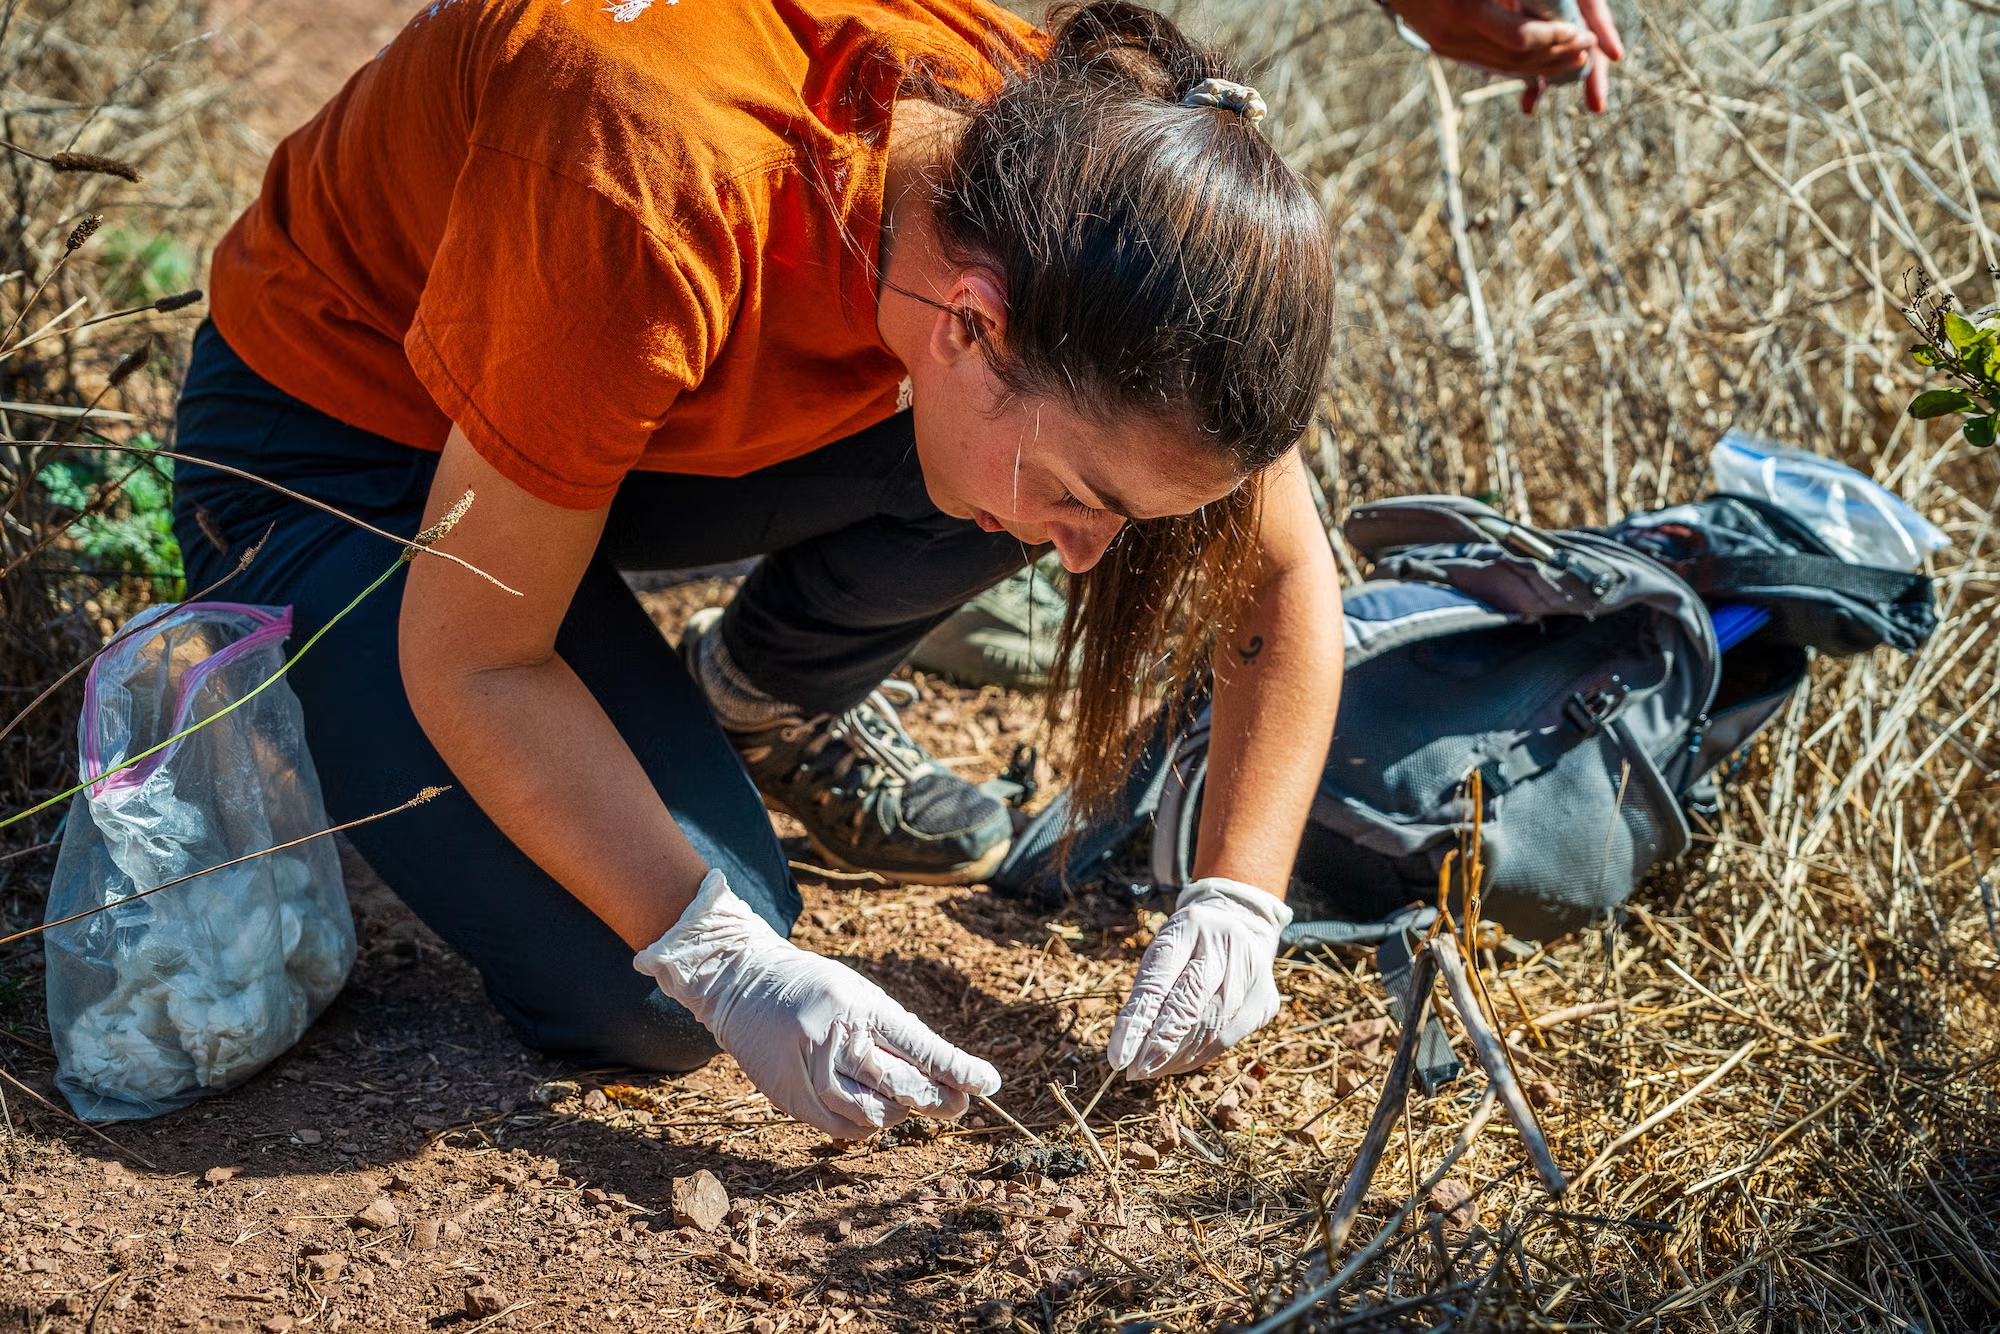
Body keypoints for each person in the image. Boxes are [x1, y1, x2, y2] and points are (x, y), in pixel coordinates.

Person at [171, 0, 1620, 1141]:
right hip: (342, 450)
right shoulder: (650, 179)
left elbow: (1278, 572)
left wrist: (1242, 893)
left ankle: (753, 701)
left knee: (1003, 477)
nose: (1081, 554)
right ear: (974, 324)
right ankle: (310, 667)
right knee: (649, 993)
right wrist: (726, 959)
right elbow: (475, 658)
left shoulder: (1070, 166)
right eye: (1084, 499)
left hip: (592, 413)